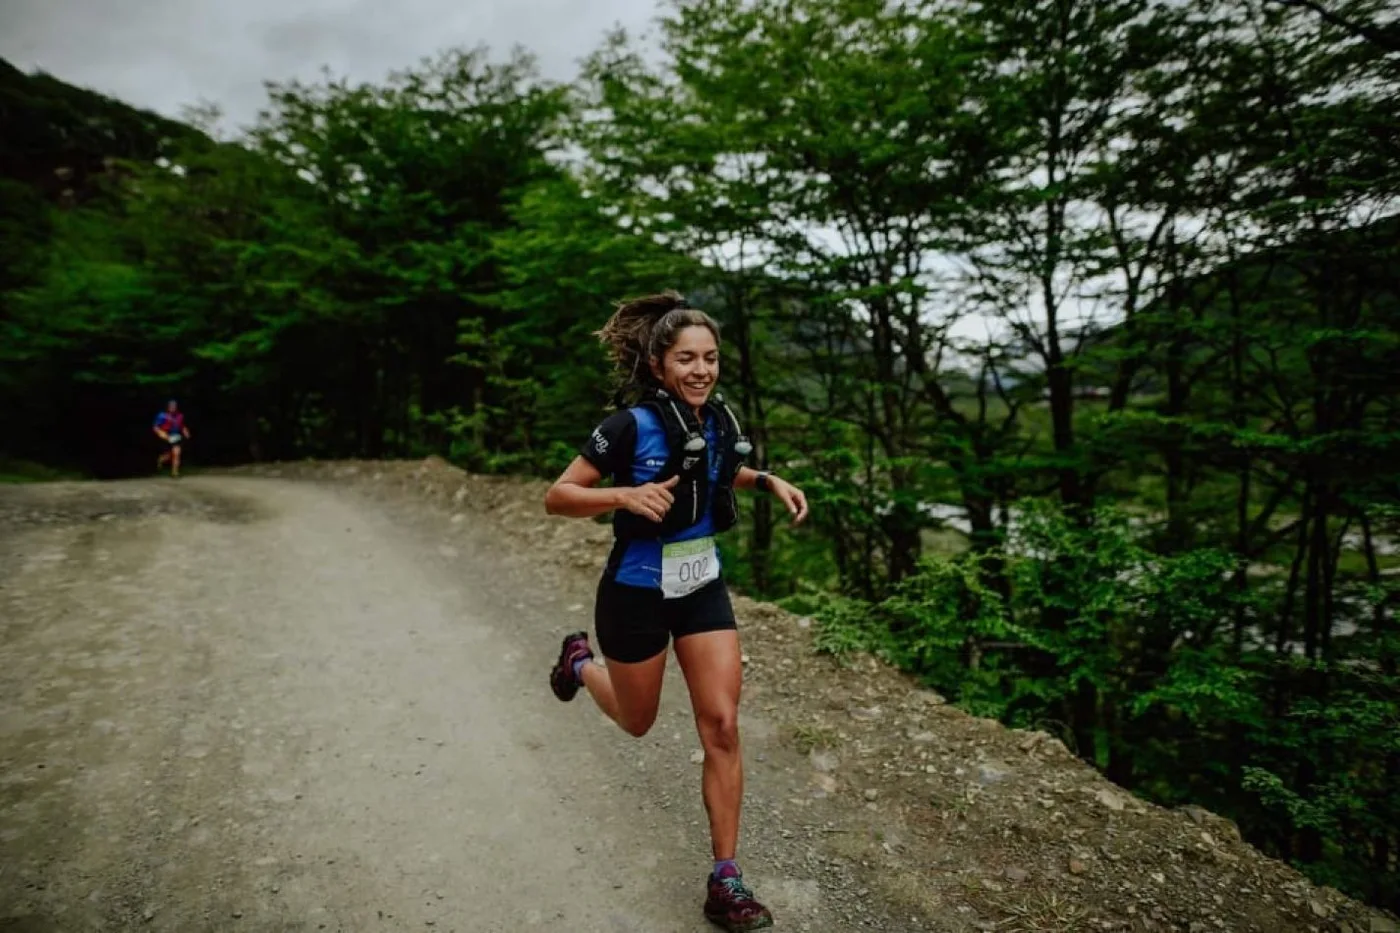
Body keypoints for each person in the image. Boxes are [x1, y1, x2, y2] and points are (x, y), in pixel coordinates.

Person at [544, 292, 808, 932]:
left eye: (710, 358)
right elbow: (559, 495)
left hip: (700, 588)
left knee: (720, 724)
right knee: (638, 721)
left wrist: (768, 480)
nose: (701, 370)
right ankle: (580, 663)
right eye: (686, 358)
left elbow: (719, 473)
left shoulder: (717, 420)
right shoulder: (630, 426)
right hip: (634, 592)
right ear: (659, 365)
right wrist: (624, 494)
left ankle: (726, 879)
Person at [153, 400, 191, 477]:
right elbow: (156, 427)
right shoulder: (162, 415)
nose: (173, 408)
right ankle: (161, 460)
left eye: (174, 406)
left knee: (176, 453)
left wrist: (186, 432)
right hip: (165, 437)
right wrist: (161, 433)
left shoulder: (180, 416)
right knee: (168, 455)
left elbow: (182, 426)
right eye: (171, 406)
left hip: (176, 436)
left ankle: (175, 472)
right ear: (168, 407)